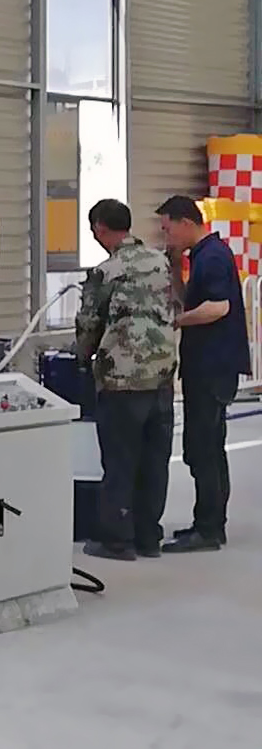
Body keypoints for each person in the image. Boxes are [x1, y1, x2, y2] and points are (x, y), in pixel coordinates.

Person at [75, 198, 177, 562]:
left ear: (100, 228)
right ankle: (149, 537)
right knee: (155, 459)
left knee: (120, 460)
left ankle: (117, 540)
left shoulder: (106, 272)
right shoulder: (160, 262)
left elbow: (89, 326)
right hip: (162, 376)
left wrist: (81, 357)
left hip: (122, 380)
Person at [157, 195, 251, 553]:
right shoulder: (200, 255)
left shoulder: (212, 256)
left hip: (213, 366)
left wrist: (176, 322)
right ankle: (209, 523)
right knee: (208, 446)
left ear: (186, 222)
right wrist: (173, 270)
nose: (166, 237)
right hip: (206, 366)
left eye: (168, 229)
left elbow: (217, 307)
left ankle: (209, 528)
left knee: (203, 448)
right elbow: (193, 301)